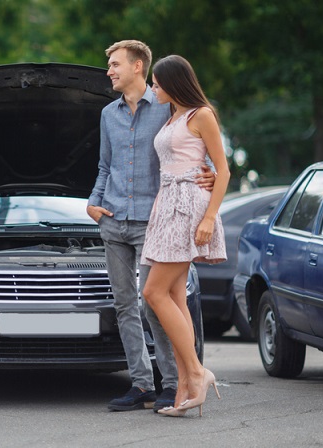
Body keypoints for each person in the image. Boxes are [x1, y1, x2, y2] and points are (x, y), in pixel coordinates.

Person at [87, 40, 215, 413]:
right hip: (113, 220)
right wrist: (94, 202)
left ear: (138, 66)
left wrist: (205, 175)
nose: (109, 70)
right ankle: (141, 384)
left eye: (114, 64)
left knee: (153, 304)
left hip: (155, 221)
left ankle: (174, 380)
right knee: (125, 305)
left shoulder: (165, 107)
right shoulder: (107, 114)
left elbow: (192, 147)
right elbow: (104, 166)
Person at [141, 54, 228, 417]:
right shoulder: (171, 116)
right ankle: (184, 390)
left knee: (153, 292)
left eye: (158, 83)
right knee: (174, 296)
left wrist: (209, 218)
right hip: (165, 205)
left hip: (188, 207)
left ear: (175, 83)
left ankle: (197, 371)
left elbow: (222, 171)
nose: (154, 88)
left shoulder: (200, 114)